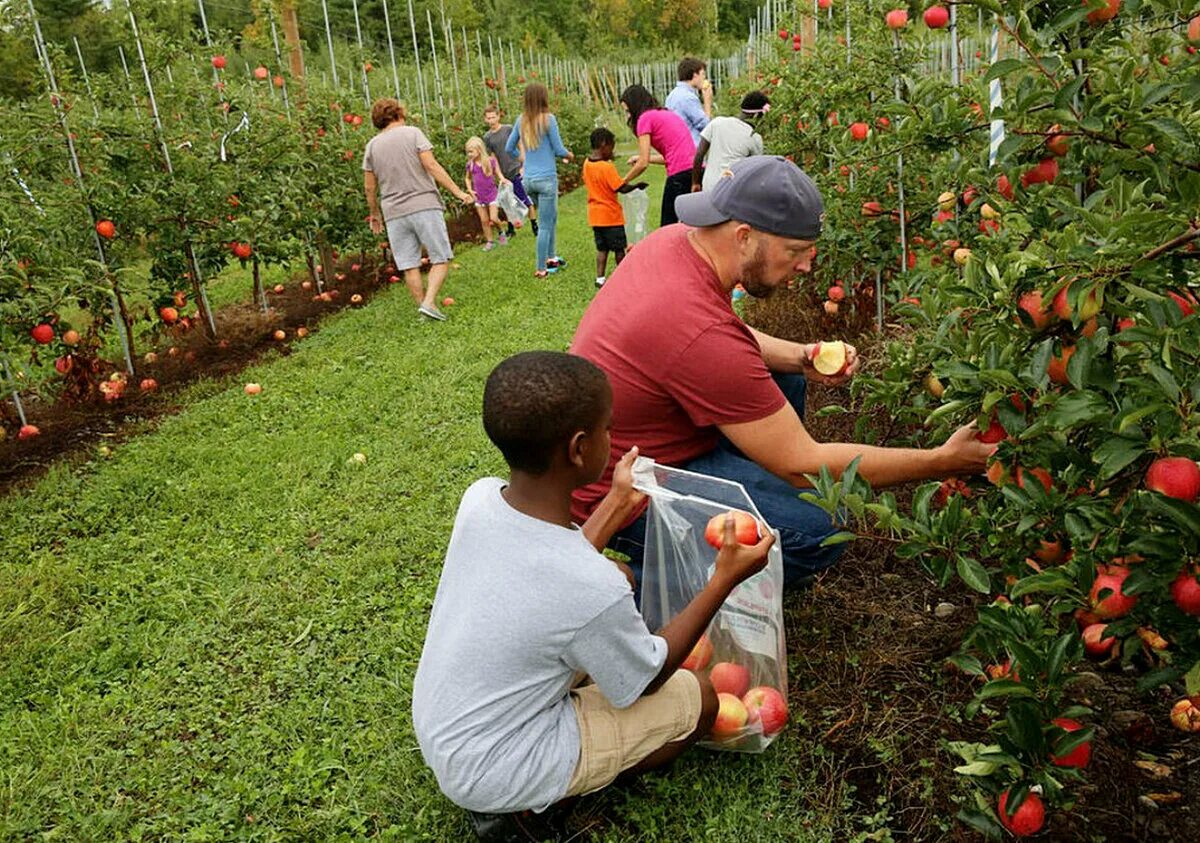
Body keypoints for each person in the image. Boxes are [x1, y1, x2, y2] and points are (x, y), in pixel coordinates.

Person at [570, 156, 994, 589]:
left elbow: (725, 333)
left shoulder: (677, 242)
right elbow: (801, 463)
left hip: (651, 442)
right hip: (626, 496)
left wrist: (800, 357)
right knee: (817, 531)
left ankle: (751, 486)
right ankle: (629, 582)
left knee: (785, 376)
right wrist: (941, 461)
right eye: (794, 252)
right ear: (744, 236)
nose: (806, 267)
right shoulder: (698, 331)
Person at [412, 351, 774, 842]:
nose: (613, 438)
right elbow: (647, 679)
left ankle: (530, 776)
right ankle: (530, 807)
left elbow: (554, 574)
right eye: (608, 428)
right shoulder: (586, 584)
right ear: (580, 449)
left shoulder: (480, 497)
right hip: (495, 769)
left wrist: (618, 500)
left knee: (619, 579)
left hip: (448, 727)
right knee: (701, 699)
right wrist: (722, 579)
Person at [364, 97, 471, 321]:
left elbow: (369, 186)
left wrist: (374, 213)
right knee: (440, 257)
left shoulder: (372, 146)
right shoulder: (413, 133)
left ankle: (423, 310)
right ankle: (429, 302)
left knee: (408, 263)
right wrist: (458, 192)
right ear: (398, 113)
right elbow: (431, 165)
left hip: (393, 212)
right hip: (423, 204)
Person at [505, 83, 574, 278]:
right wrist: (570, 154)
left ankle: (551, 257)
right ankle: (541, 268)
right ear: (543, 98)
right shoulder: (549, 120)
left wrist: (525, 159)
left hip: (528, 180)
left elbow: (509, 148)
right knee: (545, 225)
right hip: (546, 180)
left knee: (550, 218)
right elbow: (559, 150)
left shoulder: (521, 120)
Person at [618, 84, 696, 228]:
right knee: (690, 224)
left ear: (634, 105)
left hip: (679, 176)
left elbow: (643, 163)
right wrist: (641, 158)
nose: (628, 116)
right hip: (696, 171)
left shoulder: (644, 119)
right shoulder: (665, 113)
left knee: (668, 226)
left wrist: (622, 181)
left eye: (628, 111)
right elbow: (671, 156)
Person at [582, 127, 647, 289]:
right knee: (619, 249)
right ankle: (625, 275)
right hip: (611, 216)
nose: (613, 151)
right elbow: (620, 188)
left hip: (595, 216)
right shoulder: (606, 167)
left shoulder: (587, 164)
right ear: (604, 144)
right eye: (612, 146)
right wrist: (637, 186)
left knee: (602, 249)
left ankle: (600, 278)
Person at [692, 91, 769, 194]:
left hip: (709, 187)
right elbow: (755, 171)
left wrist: (695, 182)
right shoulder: (754, 137)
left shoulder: (717, 122)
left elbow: (699, 154)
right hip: (733, 190)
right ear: (756, 115)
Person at [483, 105, 538, 238]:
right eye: (488, 118)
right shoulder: (487, 137)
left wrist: (523, 165)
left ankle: (535, 225)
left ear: (498, 116)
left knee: (524, 198)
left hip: (516, 169)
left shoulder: (508, 129)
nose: (491, 120)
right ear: (485, 119)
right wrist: (500, 176)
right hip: (504, 174)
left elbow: (520, 144)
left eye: (493, 117)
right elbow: (493, 157)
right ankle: (511, 228)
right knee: (507, 202)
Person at [464, 136, 507, 251]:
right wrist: (470, 189)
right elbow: (467, 178)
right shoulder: (470, 165)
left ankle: (501, 232)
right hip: (479, 196)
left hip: (492, 194)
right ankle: (490, 241)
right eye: (468, 152)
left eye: (471, 151)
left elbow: (498, 173)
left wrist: (502, 179)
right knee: (484, 220)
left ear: (479, 150)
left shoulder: (490, 161)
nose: (469, 154)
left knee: (493, 218)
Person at [664, 56, 712, 146]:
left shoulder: (672, 95)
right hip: (691, 150)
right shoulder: (688, 98)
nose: (704, 78)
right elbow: (706, 126)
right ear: (695, 75)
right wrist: (707, 101)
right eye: (703, 74)